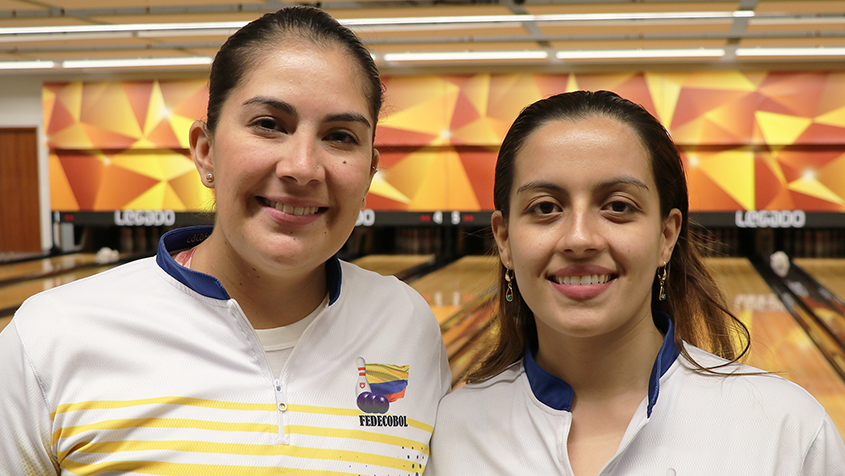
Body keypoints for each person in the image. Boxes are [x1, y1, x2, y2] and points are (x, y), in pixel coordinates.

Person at [0, 6, 450, 475]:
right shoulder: (52, 337)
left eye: (340, 136)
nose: (301, 166)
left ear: (371, 170)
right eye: (268, 124)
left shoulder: (409, 325)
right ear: (205, 151)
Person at [427, 90, 845, 475]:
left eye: (618, 206)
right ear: (503, 239)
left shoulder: (787, 430)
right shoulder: (448, 435)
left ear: (667, 236)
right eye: (546, 207)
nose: (579, 238)